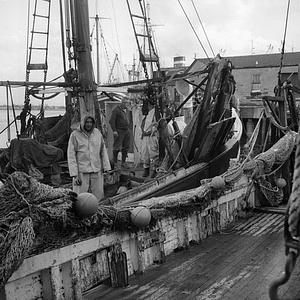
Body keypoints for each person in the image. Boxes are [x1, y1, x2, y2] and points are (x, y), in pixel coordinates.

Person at [67, 115, 111, 200]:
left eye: (91, 122)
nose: (89, 124)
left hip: (96, 169)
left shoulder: (97, 133)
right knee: (79, 197)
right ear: (83, 123)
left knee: (98, 195)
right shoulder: (75, 135)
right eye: (87, 122)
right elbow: (71, 155)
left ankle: (98, 210)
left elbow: (103, 151)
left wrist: (107, 168)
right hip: (81, 172)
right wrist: (74, 174)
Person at [109, 99, 130, 169]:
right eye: (127, 104)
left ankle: (123, 163)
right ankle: (114, 163)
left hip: (126, 130)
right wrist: (114, 130)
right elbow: (111, 121)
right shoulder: (116, 110)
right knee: (116, 147)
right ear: (123, 103)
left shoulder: (125, 111)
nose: (127, 106)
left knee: (126, 147)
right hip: (119, 131)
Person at [141, 103, 159, 178]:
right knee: (145, 153)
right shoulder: (145, 114)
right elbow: (142, 125)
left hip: (152, 136)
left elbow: (156, 124)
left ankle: (155, 170)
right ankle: (146, 169)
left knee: (153, 153)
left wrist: (152, 131)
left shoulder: (155, 112)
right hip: (145, 136)